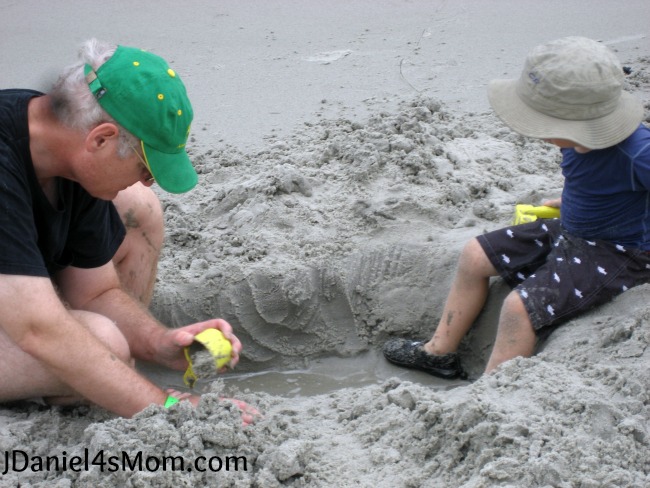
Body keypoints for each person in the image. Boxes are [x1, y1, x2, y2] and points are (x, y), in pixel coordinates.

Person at [0, 39, 257, 424]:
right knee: (105, 341)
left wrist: (159, 344)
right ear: (100, 139)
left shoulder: (60, 144)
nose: (149, 180)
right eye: (145, 167)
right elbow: (39, 328)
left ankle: (95, 375)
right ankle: (93, 373)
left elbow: (95, 291)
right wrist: (167, 407)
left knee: (138, 209)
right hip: (29, 319)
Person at [383, 36, 650, 379]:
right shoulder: (579, 134)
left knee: (518, 308)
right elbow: (601, 181)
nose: (544, 135)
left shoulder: (638, 152)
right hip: (575, 230)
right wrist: (572, 201)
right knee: (474, 254)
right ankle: (438, 352)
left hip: (620, 253)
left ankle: (493, 394)